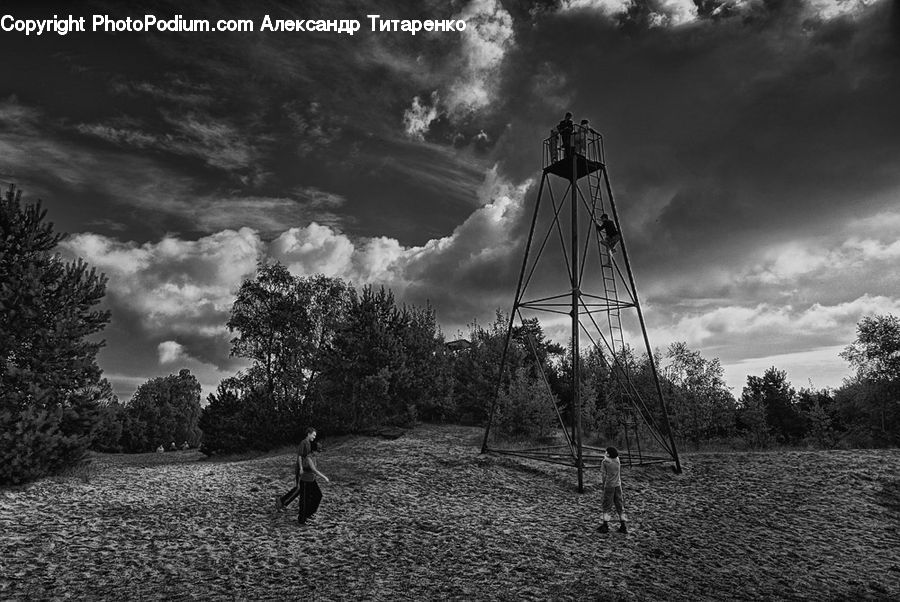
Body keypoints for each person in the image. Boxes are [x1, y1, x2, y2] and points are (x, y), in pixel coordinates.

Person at [275, 427, 330, 525]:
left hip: (307, 471)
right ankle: (282, 502)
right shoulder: (304, 443)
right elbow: (300, 456)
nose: (314, 437)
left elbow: (311, 458)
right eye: (313, 435)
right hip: (302, 470)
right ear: (308, 434)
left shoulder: (310, 444)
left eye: (315, 435)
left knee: (302, 490)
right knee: (299, 489)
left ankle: (285, 503)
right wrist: (300, 468)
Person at [598, 446, 627, 534]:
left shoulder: (605, 462)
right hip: (618, 485)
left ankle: (605, 525)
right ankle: (623, 525)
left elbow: (603, 475)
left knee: (606, 506)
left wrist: (603, 485)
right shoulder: (617, 460)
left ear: (608, 453)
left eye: (606, 452)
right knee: (619, 505)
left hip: (609, 485)